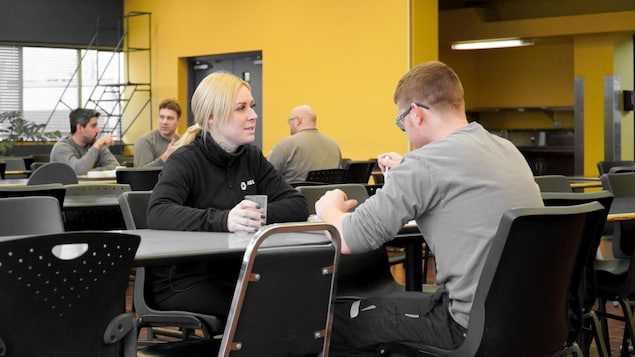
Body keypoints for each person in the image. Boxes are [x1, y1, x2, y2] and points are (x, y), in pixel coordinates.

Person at [315, 61, 543, 355]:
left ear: (416, 113)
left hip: (465, 327)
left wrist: (330, 209)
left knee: (330, 323)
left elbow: (349, 239)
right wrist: (408, 171)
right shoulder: (506, 149)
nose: (404, 131)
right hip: (529, 320)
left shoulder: (425, 164)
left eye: (401, 122)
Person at [147, 72, 309, 318]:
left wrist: (254, 217)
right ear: (211, 117)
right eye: (241, 108)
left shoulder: (250, 157)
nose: (253, 116)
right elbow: (157, 212)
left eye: (252, 107)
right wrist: (225, 220)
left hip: (234, 270)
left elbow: (297, 205)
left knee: (296, 295)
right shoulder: (186, 159)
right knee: (262, 307)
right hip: (185, 280)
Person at [267, 104, 341, 183]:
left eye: (290, 121)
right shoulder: (334, 146)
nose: (289, 125)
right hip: (327, 194)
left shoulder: (285, 145)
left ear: (298, 120)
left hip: (293, 194)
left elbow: (266, 176)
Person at [50, 108, 119, 174]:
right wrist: (96, 147)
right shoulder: (61, 148)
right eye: (93, 126)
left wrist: (91, 172)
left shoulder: (96, 144)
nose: (98, 130)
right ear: (80, 128)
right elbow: (78, 171)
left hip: (92, 186)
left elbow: (115, 167)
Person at [134, 99, 181, 167]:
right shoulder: (145, 141)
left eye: (170, 118)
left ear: (178, 121)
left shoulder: (181, 141)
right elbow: (142, 173)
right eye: (162, 117)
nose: (164, 122)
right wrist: (165, 157)